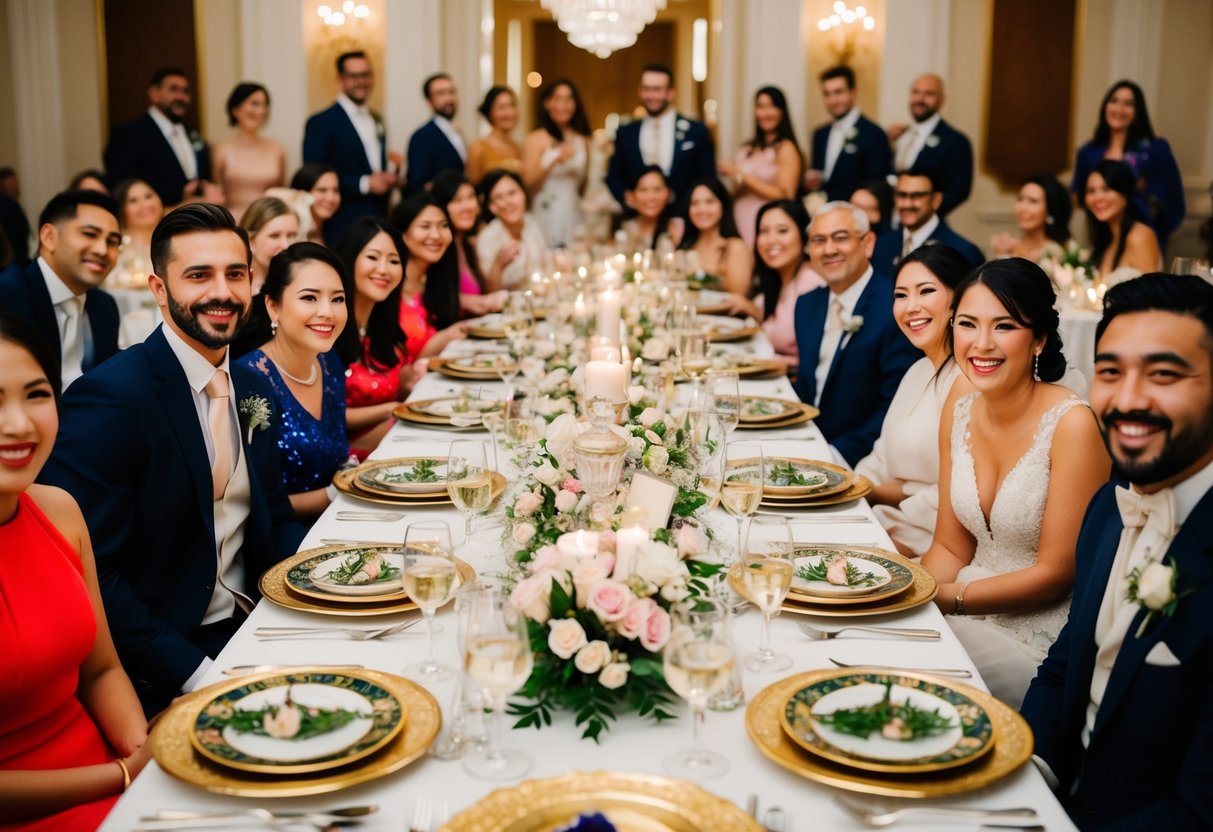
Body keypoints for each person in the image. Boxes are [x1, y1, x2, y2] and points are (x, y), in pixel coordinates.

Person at [40, 203, 306, 716]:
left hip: (258, 621)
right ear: (159, 289)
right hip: (167, 657)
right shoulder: (112, 398)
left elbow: (271, 516)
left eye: (235, 274)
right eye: (198, 275)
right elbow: (96, 577)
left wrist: (326, 576)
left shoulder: (253, 386)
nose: (222, 293)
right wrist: (199, 675)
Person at [1022, 273, 1213, 829]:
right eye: (1110, 372)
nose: (1128, 399)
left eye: (1163, 374)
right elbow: (1063, 668)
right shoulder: (1110, 503)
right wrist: (1024, 771)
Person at [922, 258, 1108, 709]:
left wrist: (944, 599)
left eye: (1004, 326)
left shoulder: (1072, 425)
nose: (981, 344)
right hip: (960, 601)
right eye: (967, 324)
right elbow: (950, 546)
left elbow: (1055, 576)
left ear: (1039, 339)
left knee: (915, 679)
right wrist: (910, 593)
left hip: (1035, 639)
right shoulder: (960, 406)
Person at [0, 313, 152, 830]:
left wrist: (147, 749)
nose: (19, 424)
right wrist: (123, 774)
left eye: (37, 394)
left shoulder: (60, 510)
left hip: (116, 777)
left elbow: (102, 669)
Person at [855, 245, 974, 557]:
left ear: (957, 300)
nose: (911, 307)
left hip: (930, 543)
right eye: (901, 295)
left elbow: (960, 501)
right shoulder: (917, 371)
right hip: (881, 520)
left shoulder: (969, 383)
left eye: (926, 291)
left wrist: (874, 494)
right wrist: (856, 487)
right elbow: (880, 457)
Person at [792, 201, 919, 465]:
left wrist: (836, 455)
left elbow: (894, 406)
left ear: (868, 243)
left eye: (840, 238)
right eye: (818, 240)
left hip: (860, 458)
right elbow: (808, 386)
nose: (829, 250)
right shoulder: (807, 304)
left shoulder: (894, 307)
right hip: (805, 445)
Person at [235, 243, 351, 521]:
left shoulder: (328, 362)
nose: (328, 312)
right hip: (283, 542)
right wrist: (337, 493)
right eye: (310, 298)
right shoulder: (250, 383)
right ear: (273, 306)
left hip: (339, 520)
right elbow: (254, 503)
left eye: (337, 299)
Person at [0, 190, 122, 389]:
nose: (102, 250)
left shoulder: (104, 306)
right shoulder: (9, 296)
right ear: (49, 237)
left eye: (112, 242)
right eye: (90, 234)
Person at [1071, 80, 1185, 250]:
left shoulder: (1155, 149)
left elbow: (1174, 200)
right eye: (1114, 101)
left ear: (1138, 111)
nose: (1119, 109)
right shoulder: (1088, 152)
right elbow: (1077, 195)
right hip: (1102, 236)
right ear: (1105, 106)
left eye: (1128, 104)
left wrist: (1158, 234)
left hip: (1145, 236)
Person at [333, 216, 410, 451]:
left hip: (386, 443)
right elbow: (324, 416)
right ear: (350, 258)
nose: (383, 270)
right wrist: (392, 410)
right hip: (344, 457)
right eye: (372, 257)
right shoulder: (328, 326)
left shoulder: (382, 327)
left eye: (394, 261)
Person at [302, 52, 395, 243]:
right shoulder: (321, 122)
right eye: (354, 76)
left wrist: (389, 175)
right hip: (342, 220)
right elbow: (312, 176)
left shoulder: (377, 118)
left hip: (379, 216)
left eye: (366, 75)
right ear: (341, 79)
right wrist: (365, 183)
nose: (361, 81)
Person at [103, 67, 219, 208]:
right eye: (174, 89)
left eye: (186, 91)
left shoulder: (192, 135)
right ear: (154, 94)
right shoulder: (128, 135)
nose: (181, 97)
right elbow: (121, 188)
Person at [605, 64, 715, 211]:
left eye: (657, 89)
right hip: (638, 219)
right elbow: (613, 176)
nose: (651, 96)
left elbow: (707, 177)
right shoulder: (626, 132)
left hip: (684, 216)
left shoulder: (696, 131)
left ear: (671, 92)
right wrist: (627, 197)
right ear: (639, 91)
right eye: (646, 89)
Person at [717, 86, 803, 248]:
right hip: (737, 219)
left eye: (771, 106)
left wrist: (741, 174)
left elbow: (786, 195)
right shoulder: (747, 147)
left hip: (763, 221)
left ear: (781, 111)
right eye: (760, 107)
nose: (765, 113)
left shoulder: (786, 148)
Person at [391, 193, 467, 364]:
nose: (436, 235)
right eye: (425, 226)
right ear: (402, 233)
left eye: (443, 226)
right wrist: (444, 338)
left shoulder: (438, 279)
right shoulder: (389, 284)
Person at [888, 74, 973, 216]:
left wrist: (924, 212)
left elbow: (959, 191)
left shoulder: (955, 141)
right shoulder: (901, 136)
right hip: (891, 223)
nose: (920, 99)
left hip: (927, 221)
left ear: (942, 100)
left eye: (929, 94)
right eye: (916, 92)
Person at [522, 78, 590, 249]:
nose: (563, 105)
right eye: (557, 99)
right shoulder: (535, 138)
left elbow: (583, 185)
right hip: (546, 210)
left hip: (574, 210)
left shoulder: (583, 140)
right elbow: (528, 184)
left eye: (568, 99)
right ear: (547, 103)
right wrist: (554, 160)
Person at [872, 170, 983, 275]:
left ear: (936, 200)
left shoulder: (963, 252)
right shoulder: (880, 246)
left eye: (917, 196)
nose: (907, 204)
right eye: (901, 195)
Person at [754, 199, 824, 365]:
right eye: (763, 231)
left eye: (782, 231)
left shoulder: (810, 283)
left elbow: (814, 360)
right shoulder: (776, 280)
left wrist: (761, 362)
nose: (771, 240)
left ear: (803, 235)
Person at [807, 66, 890, 202]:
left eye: (838, 92)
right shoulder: (820, 134)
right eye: (827, 94)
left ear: (853, 93)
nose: (833, 100)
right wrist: (813, 182)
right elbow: (820, 176)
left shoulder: (874, 134)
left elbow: (876, 186)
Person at [429, 170, 505, 316]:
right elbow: (430, 298)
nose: (467, 206)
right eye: (457, 200)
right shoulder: (436, 248)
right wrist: (468, 302)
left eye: (470, 197)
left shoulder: (468, 245)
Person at [213, 82, 287, 222]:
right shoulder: (222, 150)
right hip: (233, 223)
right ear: (235, 110)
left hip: (269, 222)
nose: (261, 111)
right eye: (254, 104)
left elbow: (283, 192)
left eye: (264, 105)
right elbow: (216, 194)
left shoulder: (277, 148)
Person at [1084, 159, 1162, 281]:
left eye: (1106, 189)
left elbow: (1152, 294)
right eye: (1091, 191)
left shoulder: (1139, 235)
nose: (1097, 198)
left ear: (1125, 195)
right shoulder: (1106, 238)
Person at [677, 177, 753, 297]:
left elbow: (738, 297)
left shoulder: (735, 247)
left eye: (709, 202)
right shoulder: (686, 246)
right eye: (695, 203)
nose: (701, 209)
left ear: (722, 206)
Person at [475, 169, 547, 291]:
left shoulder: (531, 222)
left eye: (512, 193)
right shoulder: (487, 238)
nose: (508, 202)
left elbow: (544, 265)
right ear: (492, 207)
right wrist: (498, 265)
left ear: (523, 194)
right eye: (499, 197)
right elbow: (491, 292)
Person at [405, 72, 466, 196]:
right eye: (441, 93)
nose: (449, 98)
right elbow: (418, 185)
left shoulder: (458, 133)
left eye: (451, 92)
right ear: (430, 101)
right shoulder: (422, 137)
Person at [991, 174, 1072, 263]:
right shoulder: (1010, 246)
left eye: (1033, 201)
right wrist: (1001, 255)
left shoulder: (1055, 252)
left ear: (1049, 210)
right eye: (1020, 199)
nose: (1022, 207)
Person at [109, 178, 164, 287]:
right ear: (122, 208)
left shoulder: (174, 241)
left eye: (148, 197)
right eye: (133, 200)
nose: (144, 205)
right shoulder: (113, 247)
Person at [240, 196, 299, 295]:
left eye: (291, 235)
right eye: (275, 236)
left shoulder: (300, 284)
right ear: (250, 241)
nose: (285, 245)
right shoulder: (234, 286)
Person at [466, 85, 522, 184]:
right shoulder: (478, 148)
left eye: (512, 105)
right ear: (490, 113)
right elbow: (473, 186)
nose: (509, 112)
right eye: (501, 107)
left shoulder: (518, 148)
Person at [619, 166, 674, 253]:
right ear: (631, 196)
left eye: (657, 189)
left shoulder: (676, 231)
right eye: (643, 190)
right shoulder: (623, 228)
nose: (651, 197)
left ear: (668, 193)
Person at [290, 163, 341, 245]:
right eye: (322, 190)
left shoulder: (337, 232)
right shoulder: (291, 234)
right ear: (302, 192)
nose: (331, 198)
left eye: (335, 190)